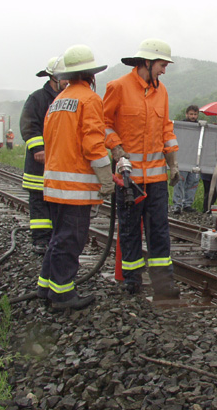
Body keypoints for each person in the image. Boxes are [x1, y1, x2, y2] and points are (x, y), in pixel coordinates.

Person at [103, 38, 181, 298]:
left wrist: (173, 162)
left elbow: (166, 129)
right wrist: (116, 148)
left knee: (159, 230)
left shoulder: (163, 91)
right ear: (146, 62)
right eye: (161, 64)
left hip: (157, 178)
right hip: (129, 178)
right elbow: (103, 124)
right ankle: (132, 280)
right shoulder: (118, 88)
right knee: (129, 230)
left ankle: (163, 283)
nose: (164, 70)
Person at [38, 44, 113, 311]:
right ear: (91, 74)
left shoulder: (57, 101)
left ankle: (46, 285)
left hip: (55, 185)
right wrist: (106, 178)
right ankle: (62, 295)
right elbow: (93, 143)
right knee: (71, 240)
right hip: (76, 188)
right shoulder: (90, 99)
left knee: (59, 237)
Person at [20, 56, 69, 255]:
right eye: (65, 77)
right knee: (39, 204)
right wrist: (38, 149)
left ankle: (55, 240)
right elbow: (29, 126)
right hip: (39, 166)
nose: (69, 81)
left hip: (59, 163)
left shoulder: (68, 98)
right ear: (54, 77)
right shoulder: (37, 98)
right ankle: (41, 241)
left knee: (57, 204)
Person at [171, 105, 200, 214]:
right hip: (182, 158)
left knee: (193, 183)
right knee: (179, 182)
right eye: (191, 114)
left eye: (195, 114)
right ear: (186, 114)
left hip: (194, 160)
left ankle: (187, 204)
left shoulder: (200, 127)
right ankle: (177, 205)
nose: (193, 116)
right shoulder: (181, 126)